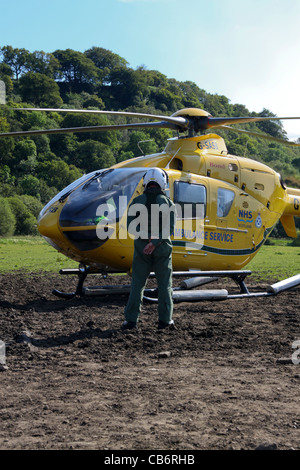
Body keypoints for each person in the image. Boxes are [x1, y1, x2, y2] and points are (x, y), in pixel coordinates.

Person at [122, 168, 176, 331]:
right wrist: (156, 241)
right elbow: (170, 228)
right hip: (162, 249)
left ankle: (131, 321)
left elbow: (131, 227)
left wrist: (147, 239)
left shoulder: (137, 201)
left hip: (141, 248)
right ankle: (165, 321)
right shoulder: (168, 203)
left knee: (137, 284)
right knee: (165, 285)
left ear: (146, 183)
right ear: (162, 183)